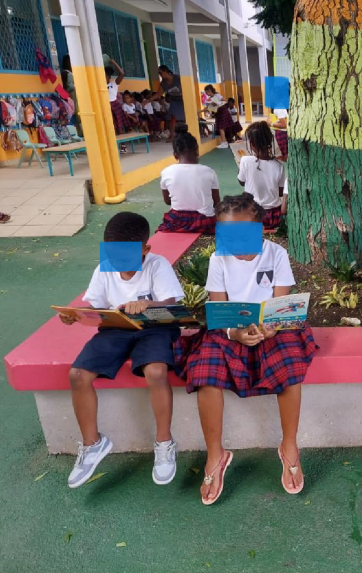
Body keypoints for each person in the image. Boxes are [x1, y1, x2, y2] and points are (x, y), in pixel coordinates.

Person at [174, 194, 318, 505]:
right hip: (231, 329)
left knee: (290, 367)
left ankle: (289, 445)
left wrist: (271, 327)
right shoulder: (218, 259)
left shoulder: (276, 254)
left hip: (271, 328)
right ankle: (216, 454)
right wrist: (234, 333)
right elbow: (218, 307)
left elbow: (280, 303)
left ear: (259, 229)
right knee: (205, 371)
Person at [58, 212, 184, 488]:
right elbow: (95, 308)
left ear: (145, 249)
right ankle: (93, 443)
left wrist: (148, 305)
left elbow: (172, 305)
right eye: (112, 254)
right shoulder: (104, 269)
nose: (117, 262)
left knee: (156, 371)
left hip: (154, 328)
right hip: (115, 329)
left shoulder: (157, 265)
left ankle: (164, 442)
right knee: (78, 374)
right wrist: (75, 315)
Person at [157, 125, 220, 234]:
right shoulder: (209, 171)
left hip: (177, 221)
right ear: (197, 151)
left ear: (175, 155)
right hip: (204, 221)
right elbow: (216, 202)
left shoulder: (166, 172)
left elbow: (167, 201)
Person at [237, 122, 285, 230]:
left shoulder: (245, 161)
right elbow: (280, 192)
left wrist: (239, 166)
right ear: (270, 141)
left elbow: (241, 181)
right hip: (273, 215)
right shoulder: (279, 166)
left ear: (252, 145)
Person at [151, 65, 185, 141]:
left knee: (184, 119)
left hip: (184, 100)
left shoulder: (177, 78)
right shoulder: (163, 83)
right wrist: (148, 100)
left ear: (166, 71)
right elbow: (158, 94)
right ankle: (172, 136)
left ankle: (185, 135)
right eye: (159, 73)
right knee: (171, 119)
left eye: (161, 73)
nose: (160, 75)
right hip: (174, 102)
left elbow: (186, 87)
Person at [203, 85, 233, 149]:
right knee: (220, 128)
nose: (206, 94)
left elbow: (225, 101)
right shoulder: (210, 99)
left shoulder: (217, 95)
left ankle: (224, 143)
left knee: (221, 128)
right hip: (218, 113)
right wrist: (201, 111)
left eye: (206, 92)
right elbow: (208, 107)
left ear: (209, 91)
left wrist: (218, 103)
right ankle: (224, 142)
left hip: (223, 112)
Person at [105, 59, 128, 139]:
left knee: (119, 125)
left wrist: (114, 62)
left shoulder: (114, 83)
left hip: (115, 105)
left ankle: (122, 144)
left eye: (105, 76)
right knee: (111, 125)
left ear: (109, 77)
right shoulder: (100, 86)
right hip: (106, 106)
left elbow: (122, 73)